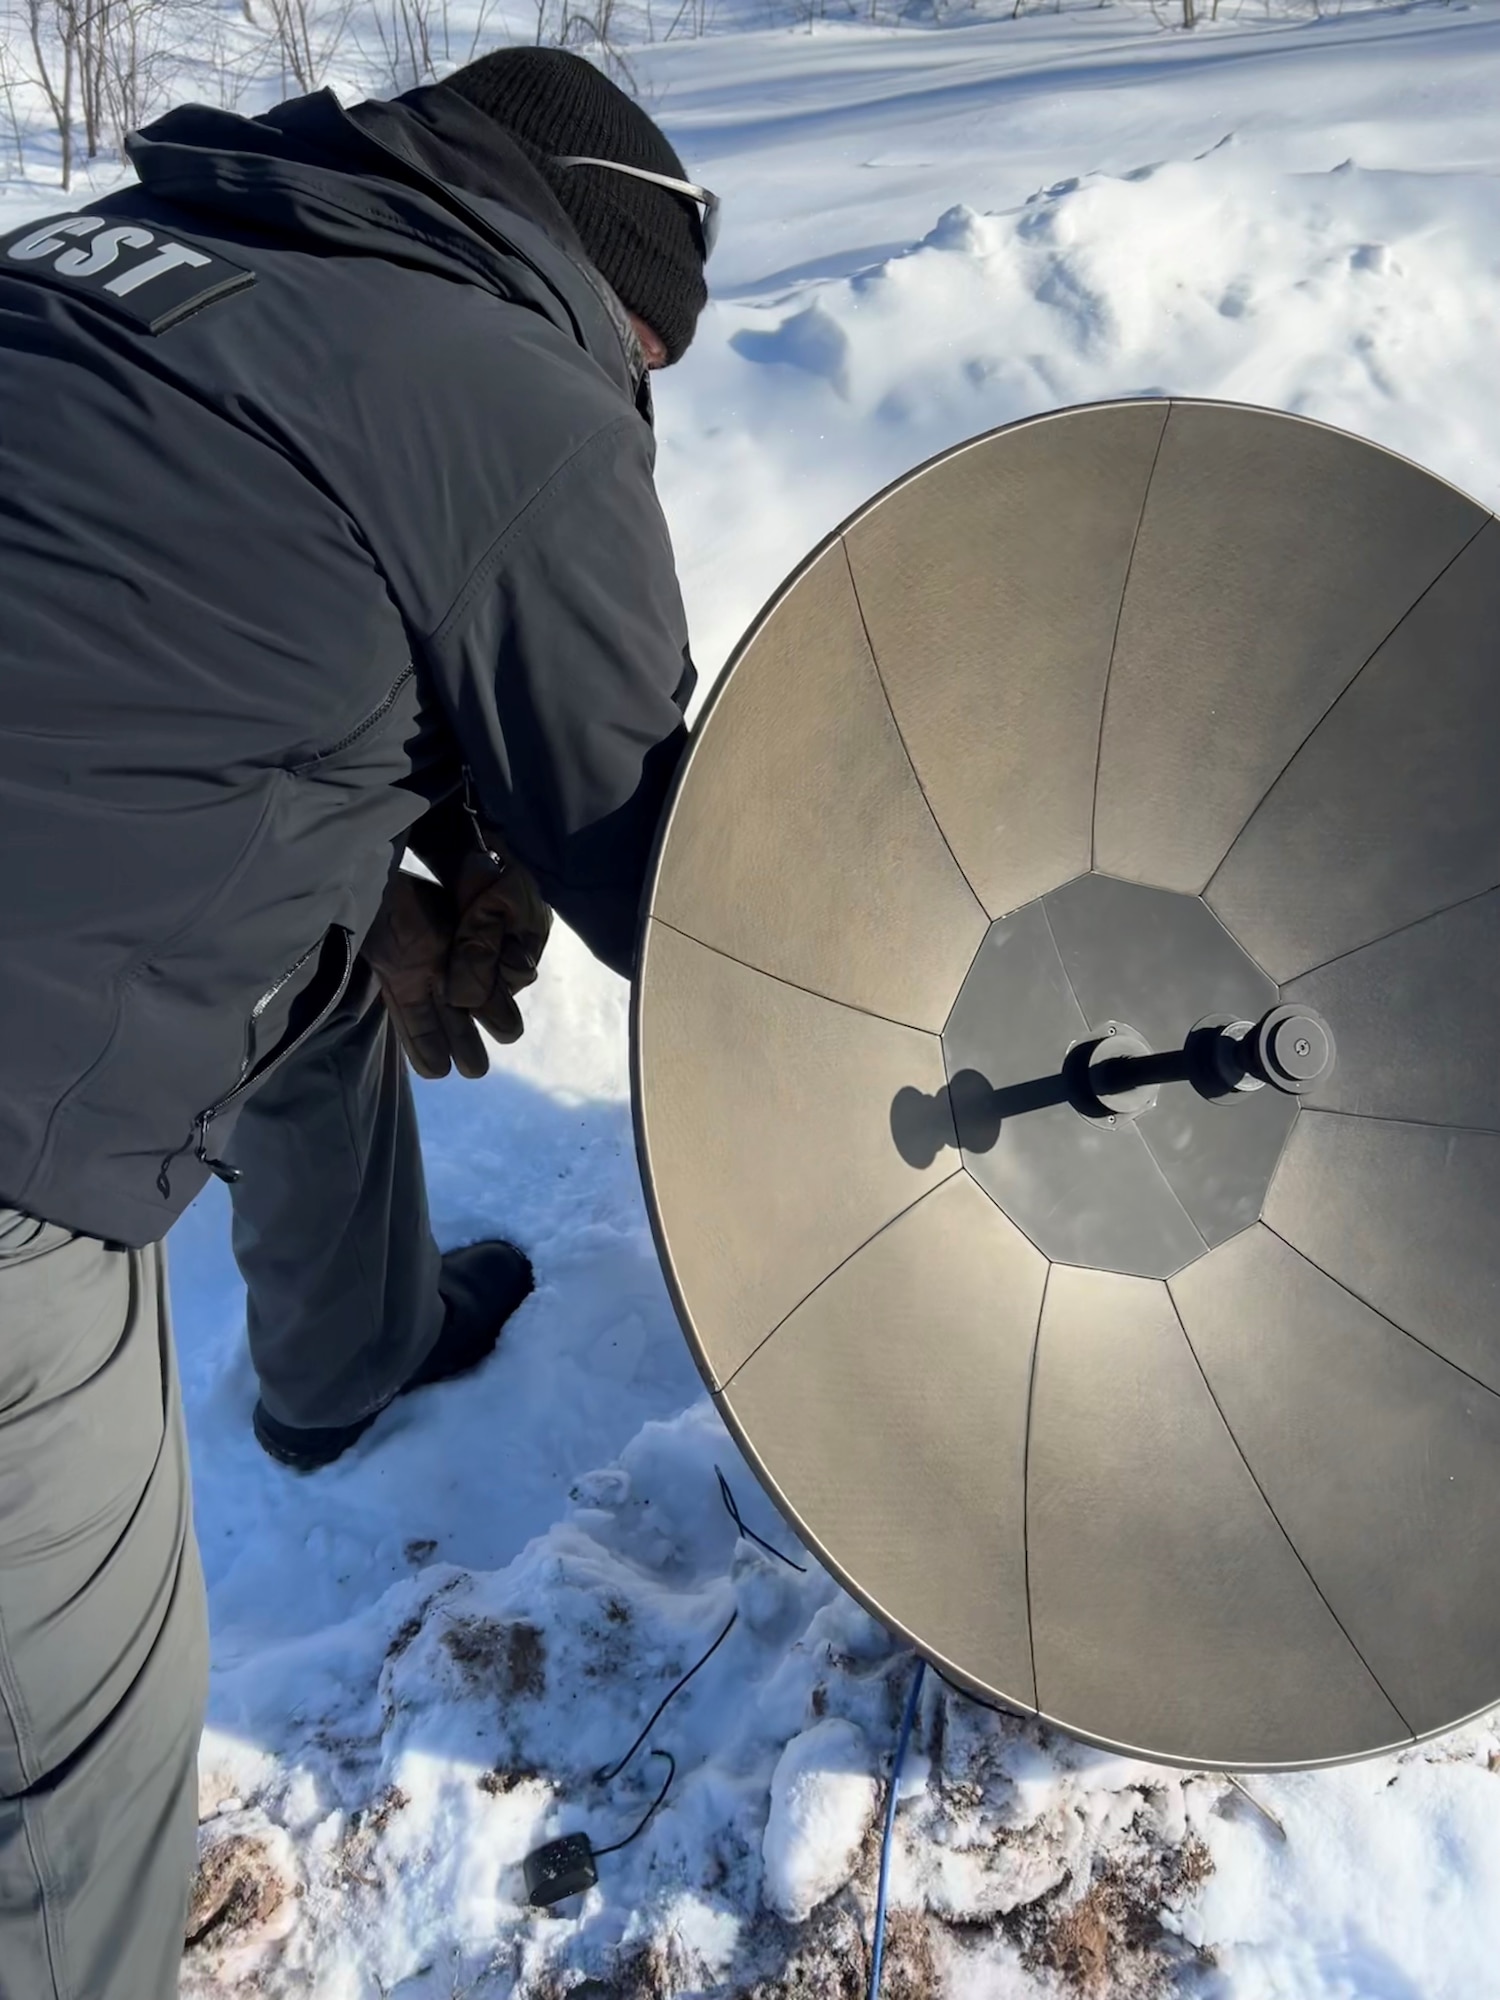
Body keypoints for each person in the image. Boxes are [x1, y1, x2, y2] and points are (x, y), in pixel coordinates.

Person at [0, 45, 714, 1999]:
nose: (639, 401)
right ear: (609, 302)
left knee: (326, 976)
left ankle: (349, 1351)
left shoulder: (119, 238)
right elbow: (682, 885)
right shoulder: (525, 404)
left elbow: (160, 613)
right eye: (650, 359)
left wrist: (406, 870)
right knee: (65, 1783)